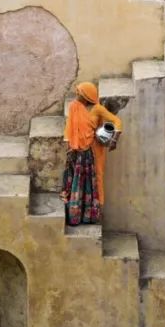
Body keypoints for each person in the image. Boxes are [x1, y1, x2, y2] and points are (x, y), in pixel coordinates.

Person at [61, 81, 122, 226]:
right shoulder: (74, 107)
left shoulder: (97, 109)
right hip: (77, 150)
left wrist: (114, 139)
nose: (76, 96)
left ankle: (94, 213)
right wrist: (68, 145)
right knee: (77, 180)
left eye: (79, 94)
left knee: (96, 179)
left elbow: (117, 121)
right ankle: (76, 214)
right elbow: (69, 127)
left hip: (94, 150)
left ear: (87, 97)